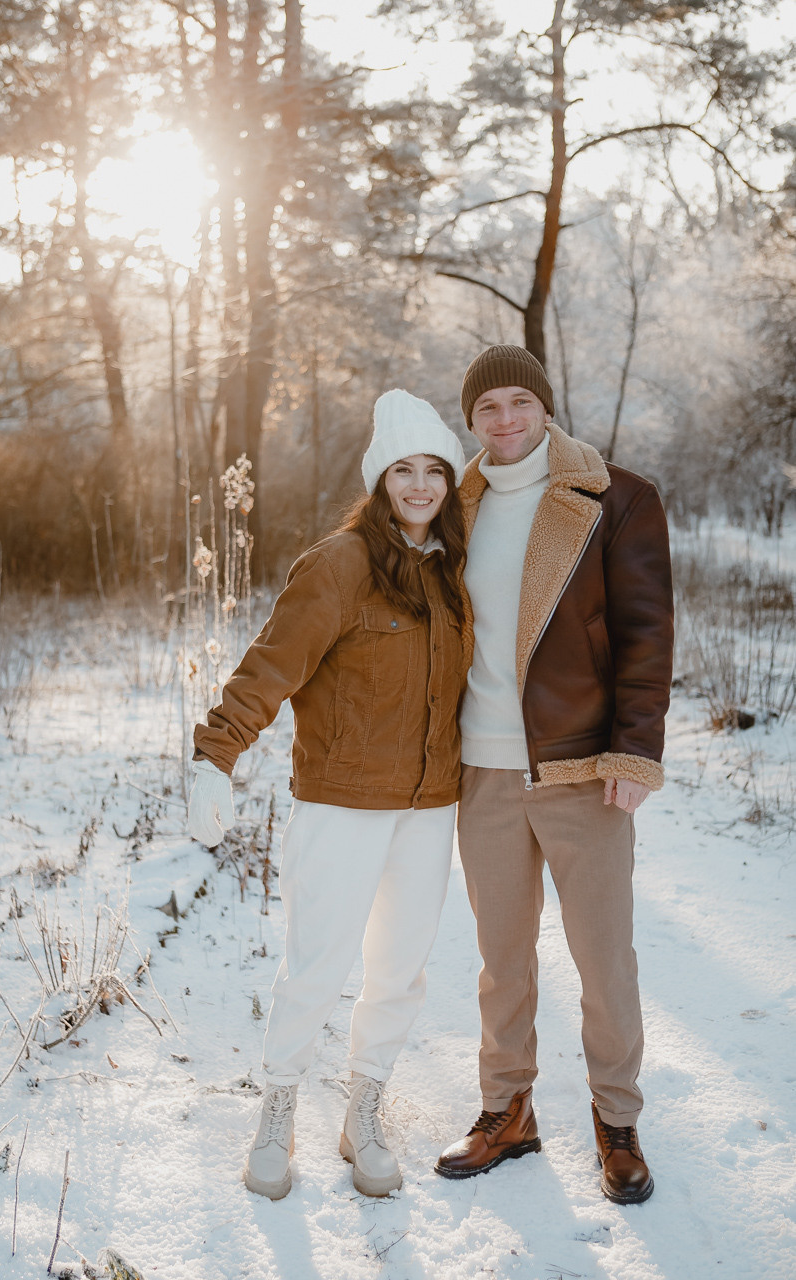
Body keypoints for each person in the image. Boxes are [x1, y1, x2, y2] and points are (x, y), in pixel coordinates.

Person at [188, 389, 467, 1201]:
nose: (419, 486)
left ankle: (364, 1111)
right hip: (342, 802)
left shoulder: (453, 574)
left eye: (434, 472)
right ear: (379, 481)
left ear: (449, 483)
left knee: (399, 972)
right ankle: (276, 1111)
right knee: (315, 965)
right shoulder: (338, 566)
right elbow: (270, 665)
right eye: (403, 471)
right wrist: (215, 755)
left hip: (430, 805)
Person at [433, 345, 673, 1205]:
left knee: (603, 958)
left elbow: (647, 635)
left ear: (543, 407)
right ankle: (507, 1110)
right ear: (470, 420)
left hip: (581, 770)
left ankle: (616, 1118)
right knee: (501, 960)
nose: (503, 420)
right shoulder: (448, 506)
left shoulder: (616, 498)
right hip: (482, 771)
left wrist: (635, 750)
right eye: (485, 407)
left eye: (517, 403)